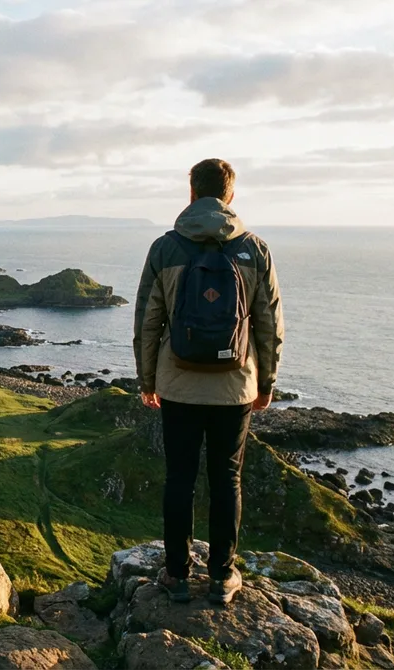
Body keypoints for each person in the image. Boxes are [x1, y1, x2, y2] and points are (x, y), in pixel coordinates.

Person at [132, 158, 284, 605]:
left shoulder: (166, 249)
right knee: (227, 479)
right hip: (235, 387)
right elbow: (269, 325)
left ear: (192, 192)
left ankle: (177, 576)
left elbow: (148, 320)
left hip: (177, 384)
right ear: (230, 195)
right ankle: (222, 577)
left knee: (179, 477)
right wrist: (266, 383)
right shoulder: (255, 250)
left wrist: (147, 379)